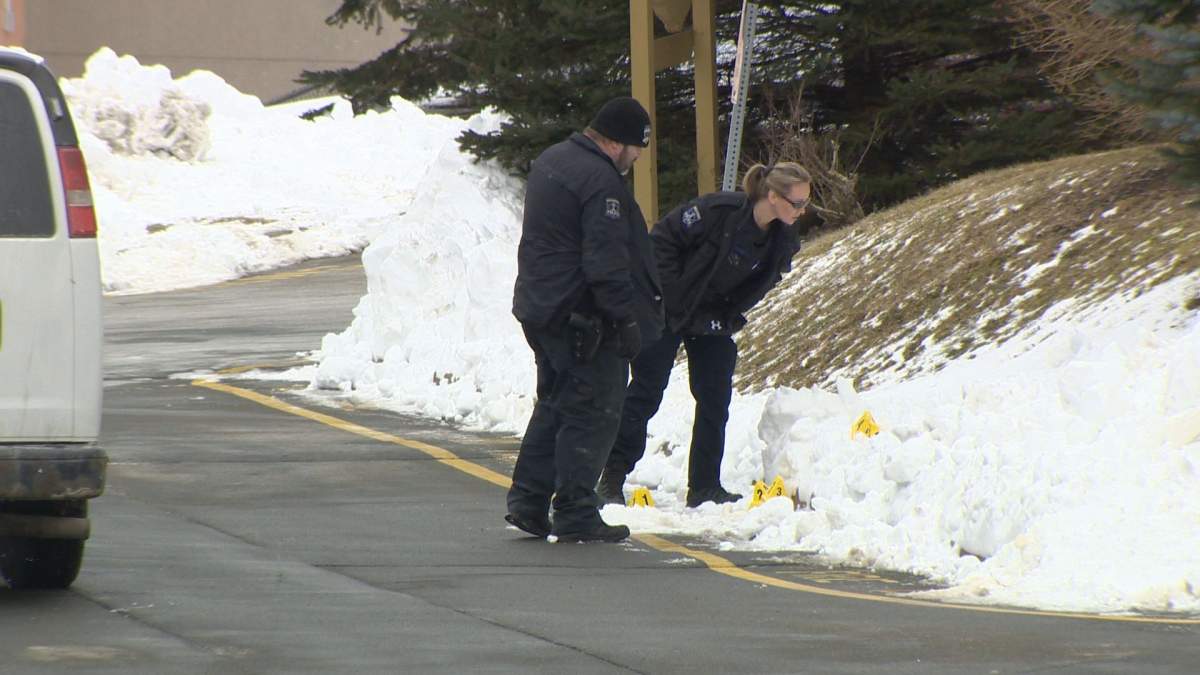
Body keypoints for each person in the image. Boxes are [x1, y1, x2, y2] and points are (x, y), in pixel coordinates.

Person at [596, 162, 812, 508]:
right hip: (667, 308)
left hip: (713, 317)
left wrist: (728, 312)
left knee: (715, 397)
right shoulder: (718, 211)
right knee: (646, 392)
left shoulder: (782, 238)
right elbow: (662, 241)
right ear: (772, 196)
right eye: (796, 203)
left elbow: (765, 280)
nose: (802, 211)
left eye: (805, 203)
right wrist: (668, 295)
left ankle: (704, 485)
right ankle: (611, 475)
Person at [505, 97, 665, 542]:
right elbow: (606, 260)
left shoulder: (554, 160)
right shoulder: (601, 182)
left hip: (541, 306)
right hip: (580, 318)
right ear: (615, 142)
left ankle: (528, 501)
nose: (636, 157)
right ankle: (575, 510)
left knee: (557, 404)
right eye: (635, 148)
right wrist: (624, 318)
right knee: (594, 412)